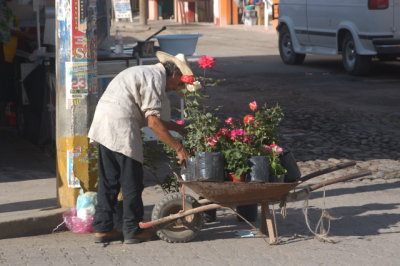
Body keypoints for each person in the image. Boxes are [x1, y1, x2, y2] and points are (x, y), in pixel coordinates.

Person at [88, 51, 191, 244]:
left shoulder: (144, 72)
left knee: (109, 181)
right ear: (176, 74)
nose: (173, 89)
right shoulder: (155, 79)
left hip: (104, 123)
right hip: (121, 126)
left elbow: (154, 119)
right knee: (131, 181)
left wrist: (177, 128)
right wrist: (179, 148)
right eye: (178, 85)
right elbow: (153, 122)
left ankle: (102, 229)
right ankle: (132, 230)